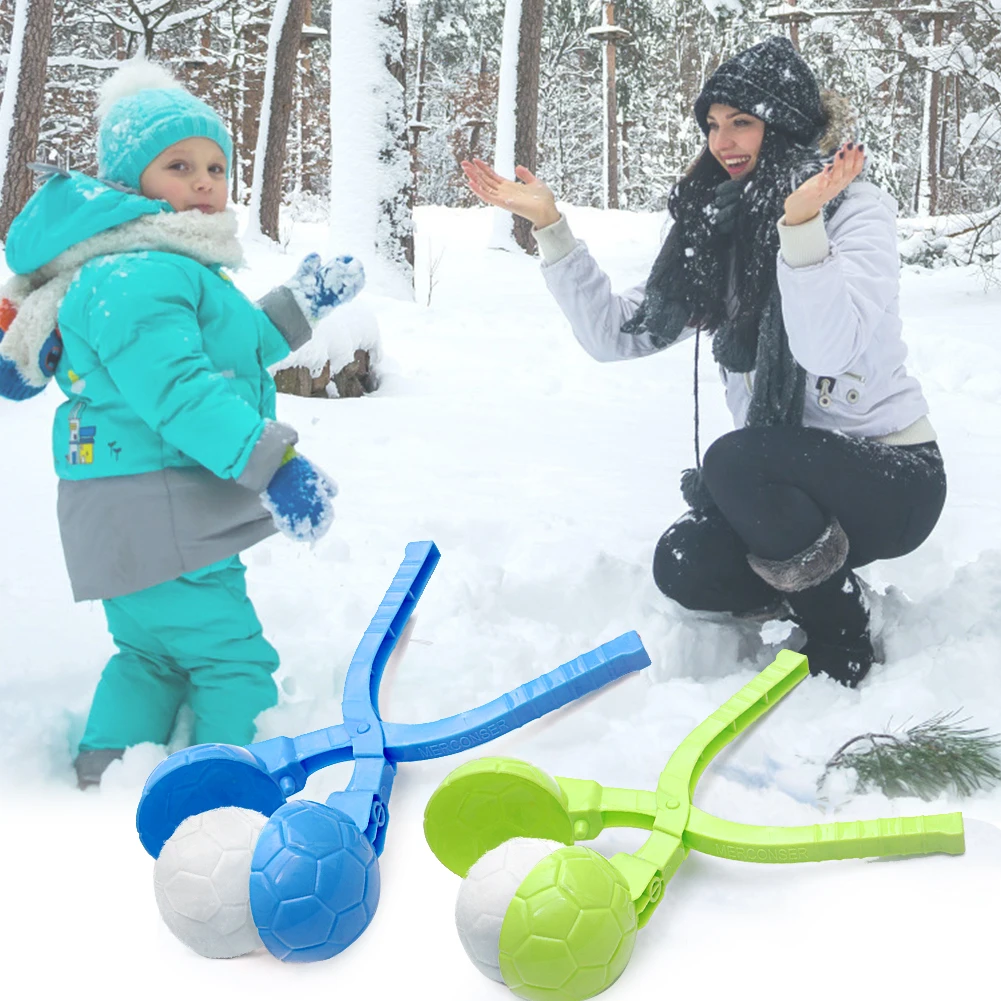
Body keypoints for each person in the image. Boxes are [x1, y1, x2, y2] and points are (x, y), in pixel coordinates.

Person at [461, 36, 945, 688]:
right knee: (683, 562)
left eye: (741, 120)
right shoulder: (719, 220)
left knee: (734, 459)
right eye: (712, 124)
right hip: (784, 493)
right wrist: (550, 226)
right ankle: (810, 582)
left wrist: (799, 227)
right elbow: (617, 333)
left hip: (891, 478)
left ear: (784, 121)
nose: (723, 140)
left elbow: (827, 349)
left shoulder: (854, 209)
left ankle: (842, 635)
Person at [0, 60, 364, 787]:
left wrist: (300, 302)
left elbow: (231, 349)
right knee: (233, 661)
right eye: (179, 165)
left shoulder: (150, 267)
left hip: (124, 512)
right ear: (132, 184)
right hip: (162, 507)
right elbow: (180, 392)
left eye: (216, 166)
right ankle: (230, 793)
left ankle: (102, 774)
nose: (204, 181)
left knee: (152, 655)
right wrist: (274, 465)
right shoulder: (138, 275)